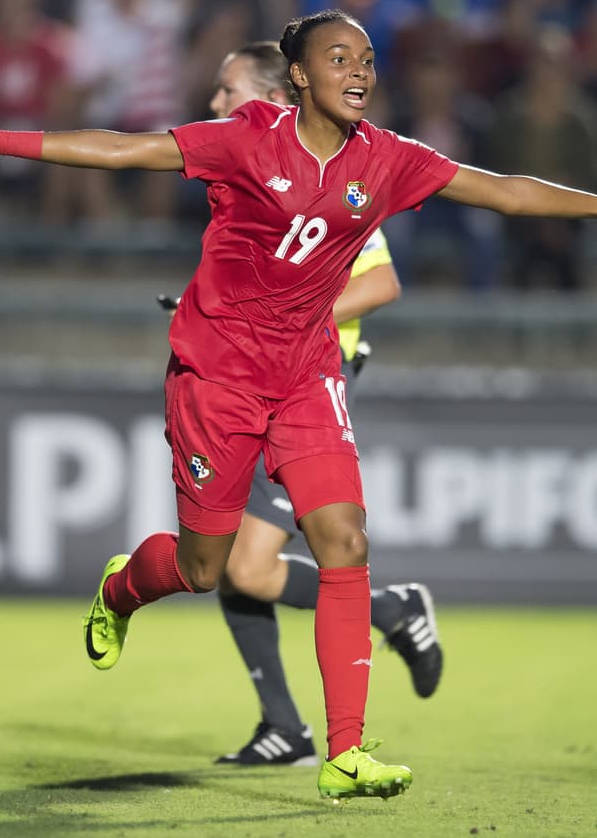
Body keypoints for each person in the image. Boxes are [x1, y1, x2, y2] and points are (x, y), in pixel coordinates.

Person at [0, 9, 597, 802]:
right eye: (337, 58)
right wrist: (0, 141)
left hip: (307, 374)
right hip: (216, 376)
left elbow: (507, 193)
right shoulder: (249, 136)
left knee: (345, 540)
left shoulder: (386, 158)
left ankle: (345, 750)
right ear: (299, 76)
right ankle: (123, 588)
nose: (359, 71)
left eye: (365, 58)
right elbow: (128, 150)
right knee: (205, 566)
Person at [200, 41, 442, 768]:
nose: (216, 104)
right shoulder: (251, 166)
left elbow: (381, 280)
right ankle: (283, 725)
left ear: (277, 94)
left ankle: (392, 611)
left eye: (228, 89)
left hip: (307, 379)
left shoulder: (330, 166)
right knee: (224, 554)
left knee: (245, 564)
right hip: (251, 375)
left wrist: (281, 309)